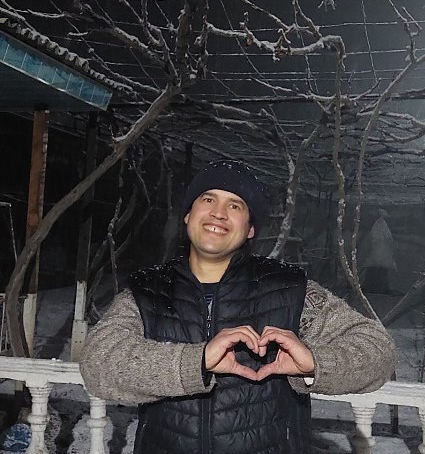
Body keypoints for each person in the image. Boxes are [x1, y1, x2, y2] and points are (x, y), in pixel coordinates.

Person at [80, 159, 396, 454]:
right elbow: (98, 364)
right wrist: (196, 362)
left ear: (250, 228)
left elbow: (378, 351)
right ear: (188, 215)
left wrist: (314, 362)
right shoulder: (147, 292)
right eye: (208, 199)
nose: (219, 213)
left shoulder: (291, 291)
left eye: (235, 205)